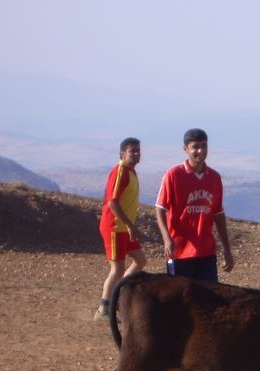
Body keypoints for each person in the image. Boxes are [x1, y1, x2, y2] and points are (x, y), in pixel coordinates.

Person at [155, 128, 234, 282]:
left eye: (204, 146)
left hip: (206, 251)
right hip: (179, 251)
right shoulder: (174, 175)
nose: (200, 151)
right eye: (195, 147)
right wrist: (167, 239)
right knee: (180, 300)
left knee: (207, 299)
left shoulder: (214, 178)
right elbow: (160, 208)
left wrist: (227, 249)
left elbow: (218, 214)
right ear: (186, 149)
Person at [95, 137, 146, 321]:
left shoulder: (131, 172)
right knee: (117, 268)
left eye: (138, 150)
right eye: (133, 151)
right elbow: (113, 202)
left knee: (140, 260)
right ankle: (104, 307)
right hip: (115, 227)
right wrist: (130, 224)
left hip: (125, 228)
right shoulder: (121, 172)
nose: (137, 154)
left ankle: (119, 295)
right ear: (123, 153)